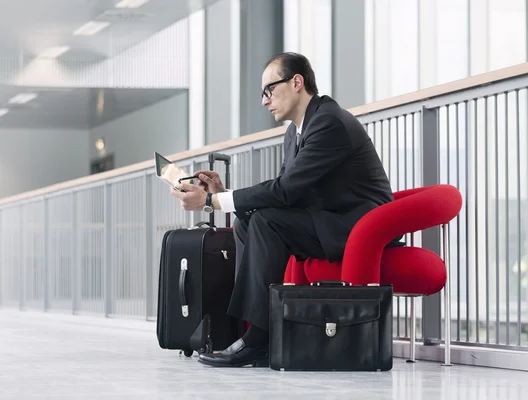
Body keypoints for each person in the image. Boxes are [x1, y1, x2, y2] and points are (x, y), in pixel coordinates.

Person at [170, 52, 396, 368]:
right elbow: (285, 192)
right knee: (249, 222)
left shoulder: (329, 122)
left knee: (266, 221)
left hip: (358, 227)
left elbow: (285, 191)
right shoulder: (296, 131)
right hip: (327, 220)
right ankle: (251, 332)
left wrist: (211, 202)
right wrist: (223, 194)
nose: (265, 101)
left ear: (297, 82)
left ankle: (257, 339)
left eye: (269, 90)